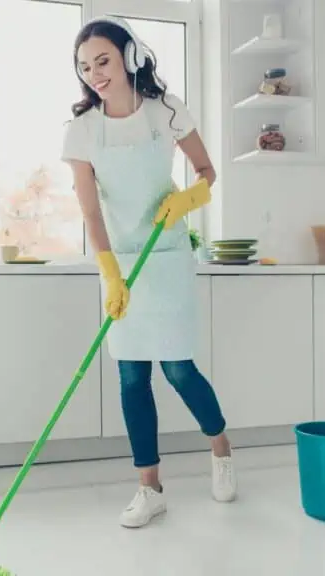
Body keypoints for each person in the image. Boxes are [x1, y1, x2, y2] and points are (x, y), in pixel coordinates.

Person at [60, 15, 237, 529]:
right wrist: (110, 272)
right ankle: (150, 487)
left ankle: (221, 449)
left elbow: (207, 173)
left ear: (130, 57)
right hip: (121, 263)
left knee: (178, 369)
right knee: (131, 376)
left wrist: (186, 199)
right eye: (85, 66)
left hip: (167, 257)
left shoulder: (165, 110)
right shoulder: (83, 130)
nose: (95, 73)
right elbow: (91, 212)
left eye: (104, 61)